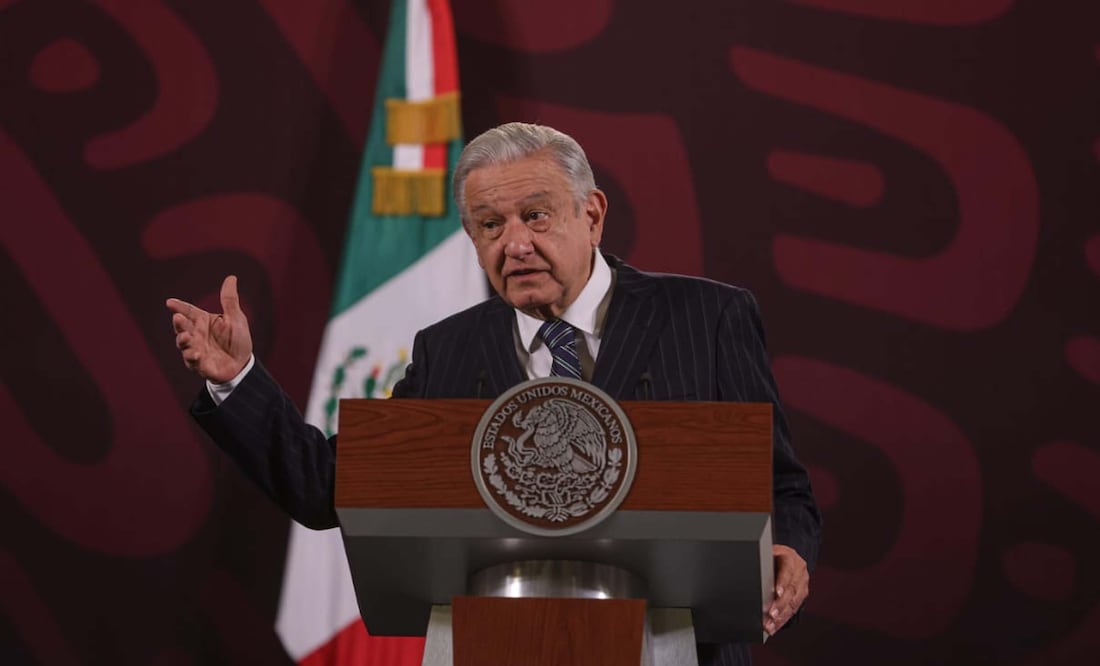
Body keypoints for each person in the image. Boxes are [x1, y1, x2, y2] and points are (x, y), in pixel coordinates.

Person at [167, 122, 822, 665]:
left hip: (680, 646)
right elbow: (329, 487)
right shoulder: (448, 348)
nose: (515, 244)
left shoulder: (707, 318)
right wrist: (236, 379)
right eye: (489, 225)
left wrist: (789, 550)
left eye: (535, 216)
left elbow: (780, 483)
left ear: (591, 215)